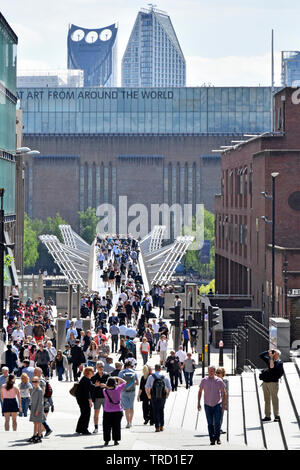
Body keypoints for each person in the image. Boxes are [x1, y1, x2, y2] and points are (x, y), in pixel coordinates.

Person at [197, 365, 227, 445]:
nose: (210, 372)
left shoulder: (219, 381)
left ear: (214, 372)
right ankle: (212, 439)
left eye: (212, 371)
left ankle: (218, 437)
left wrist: (224, 404)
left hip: (217, 404)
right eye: (209, 371)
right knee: (210, 423)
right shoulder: (204, 380)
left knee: (217, 422)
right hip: (207, 405)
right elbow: (200, 392)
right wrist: (198, 403)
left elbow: (224, 393)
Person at [259, 349, 284, 422]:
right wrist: (268, 351)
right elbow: (260, 356)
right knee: (266, 400)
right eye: (273, 353)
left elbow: (272, 367)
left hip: (273, 383)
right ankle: (267, 416)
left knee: (274, 399)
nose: (273, 354)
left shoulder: (279, 363)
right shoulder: (270, 359)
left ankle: (276, 415)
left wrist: (271, 358)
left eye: (275, 353)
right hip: (265, 383)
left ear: (278, 355)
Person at [145, 364, 171, 432]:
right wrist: (167, 394)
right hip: (162, 396)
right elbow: (169, 387)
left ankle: (157, 427)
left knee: (155, 410)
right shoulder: (164, 376)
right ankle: (162, 426)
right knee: (161, 410)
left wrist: (148, 395)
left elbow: (147, 387)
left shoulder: (151, 377)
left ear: (155, 369)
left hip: (153, 396)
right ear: (160, 369)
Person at [75, 366, 101, 435]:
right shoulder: (86, 380)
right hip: (84, 400)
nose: (93, 372)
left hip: (81, 399)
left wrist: (95, 385)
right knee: (86, 414)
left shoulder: (85, 379)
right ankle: (84, 429)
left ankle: (79, 428)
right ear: (88, 372)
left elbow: (89, 387)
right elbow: (87, 392)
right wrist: (90, 401)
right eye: (92, 371)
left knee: (83, 414)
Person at [102, 376, 127, 446]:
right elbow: (125, 382)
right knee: (116, 426)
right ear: (114, 383)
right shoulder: (118, 389)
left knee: (106, 426)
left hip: (107, 411)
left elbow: (106, 387)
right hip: (118, 410)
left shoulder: (104, 391)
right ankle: (116, 440)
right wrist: (117, 377)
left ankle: (106, 440)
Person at [118, 360, 139, 428]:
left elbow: (119, 383)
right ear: (130, 366)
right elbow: (137, 383)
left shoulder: (121, 372)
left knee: (126, 408)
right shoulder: (134, 372)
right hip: (132, 391)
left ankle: (128, 422)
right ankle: (131, 421)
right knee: (131, 407)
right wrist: (131, 384)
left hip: (124, 391)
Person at [91, 361, 110, 434]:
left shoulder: (107, 375)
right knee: (96, 413)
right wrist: (95, 385)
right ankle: (96, 428)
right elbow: (90, 387)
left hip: (106, 397)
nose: (101, 368)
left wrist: (105, 386)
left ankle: (106, 427)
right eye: (99, 367)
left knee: (106, 413)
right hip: (97, 397)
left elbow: (112, 386)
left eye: (102, 366)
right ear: (96, 367)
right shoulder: (94, 376)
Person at [28, 376, 45, 443]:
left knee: (38, 423)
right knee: (35, 423)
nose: (34, 383)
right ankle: (35, 435)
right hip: (34, 408)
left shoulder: (39, 390)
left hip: (38, 409)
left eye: (35, 381)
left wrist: (37, 410)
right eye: (33, 381)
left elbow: (41, 402)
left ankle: (39, 436)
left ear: (38, 382)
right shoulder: (33, 389)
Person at [216, 367, 228, 434]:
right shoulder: (214, 381)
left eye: (219, 373)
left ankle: (219, 428)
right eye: (216, 372)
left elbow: (226, 392)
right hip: (214, 401)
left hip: (222, 401)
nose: (217, 374)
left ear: (222, 374)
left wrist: (225, 402)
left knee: (221, 416)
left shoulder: (225, 382)